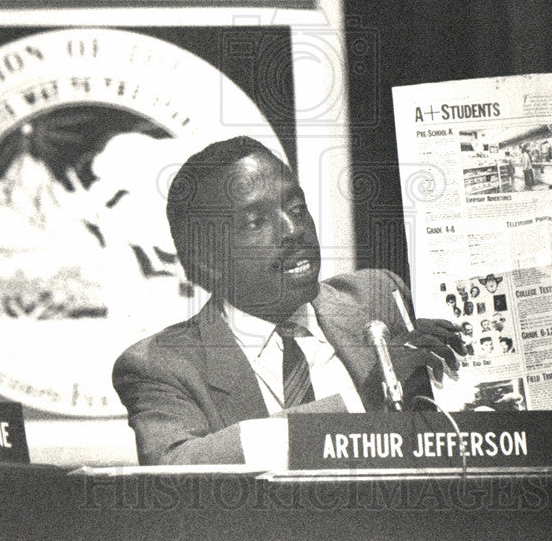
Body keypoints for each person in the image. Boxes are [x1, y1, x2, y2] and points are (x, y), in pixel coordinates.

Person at [113, 137, 465, 465]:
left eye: (297, 208)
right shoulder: (160, 365)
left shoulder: (377, 298)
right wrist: (362, 401)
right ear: (207, 260)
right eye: (255, 222)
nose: (293, 229)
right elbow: (176, 467)